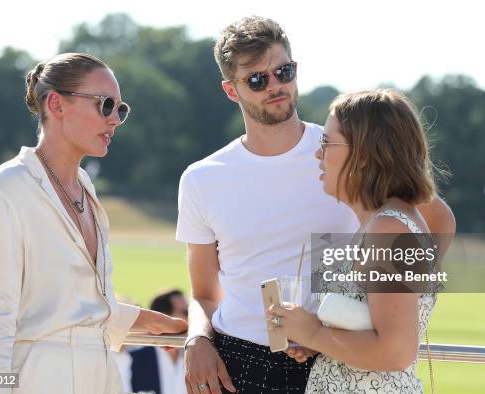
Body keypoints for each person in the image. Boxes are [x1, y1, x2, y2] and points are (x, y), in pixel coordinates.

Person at [177, 17, 455, 394]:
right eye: (257, 80)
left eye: (283, 71)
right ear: (231, 90)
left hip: (335, 358)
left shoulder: (348, 151)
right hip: (239, 362)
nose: (275, 85)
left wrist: (386, 313)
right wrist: (198, 340)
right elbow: (205, 294)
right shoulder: (202, 178)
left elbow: (436, 224)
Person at [0, 52, 187, 394]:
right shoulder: (9, 187)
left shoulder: (86, 188)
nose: (115, 119)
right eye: (106, 104)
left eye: (120, 109)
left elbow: (75, 307)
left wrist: (152, 321)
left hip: (103, 379)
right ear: (56, 105)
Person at [268, 89, 451, 393]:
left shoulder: (389, 230)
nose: (317, 153)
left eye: (327, 143)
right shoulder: (383, 223)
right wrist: (331, 340)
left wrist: (313, 333)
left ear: (364, 155)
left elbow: (395, 351)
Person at [130, 289, 189, 394]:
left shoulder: (197, 359)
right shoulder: (133, 361)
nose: (191, 318)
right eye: (186, 312)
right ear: (164, 318)